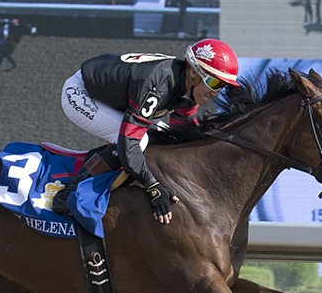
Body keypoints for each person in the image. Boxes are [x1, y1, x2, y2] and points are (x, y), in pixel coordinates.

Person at [52, 39, 240, 225]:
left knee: (164, 137)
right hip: (81, 92)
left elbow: (182, 135)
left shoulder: (189, 89)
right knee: (137, 142)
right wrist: (153, 186)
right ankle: (70, 192)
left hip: (119, 95)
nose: (217, 93)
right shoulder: (158, 84)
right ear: (193, 73)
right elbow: (129, 142)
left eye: (222, 86)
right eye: (215, 83)